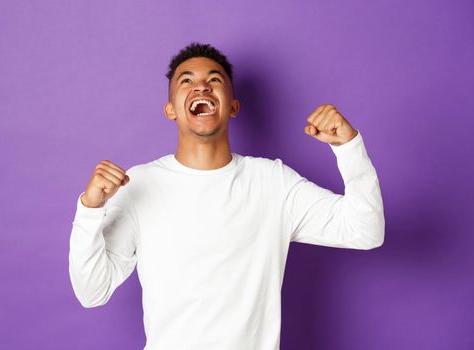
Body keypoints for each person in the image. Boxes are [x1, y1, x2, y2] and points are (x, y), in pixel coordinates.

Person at [68, 42, 385, 350]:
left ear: (233, 106)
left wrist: (348, 147)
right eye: (187, 80)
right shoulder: (138, 184)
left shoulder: (272, 182)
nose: (202, 87)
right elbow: (91, 291)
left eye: (214, 80)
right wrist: (90, 208)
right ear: (170, 109)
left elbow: (365, 231)